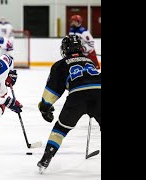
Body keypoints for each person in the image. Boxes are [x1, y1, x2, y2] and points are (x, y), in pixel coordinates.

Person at [36, 35, 101, 173]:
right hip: (99, 94)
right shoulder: (89, 60)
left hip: (77, 97)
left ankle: (47, 157)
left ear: (65, 49)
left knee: (60, 129)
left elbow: (53, 89)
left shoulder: (60, 64)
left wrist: (45, 107)